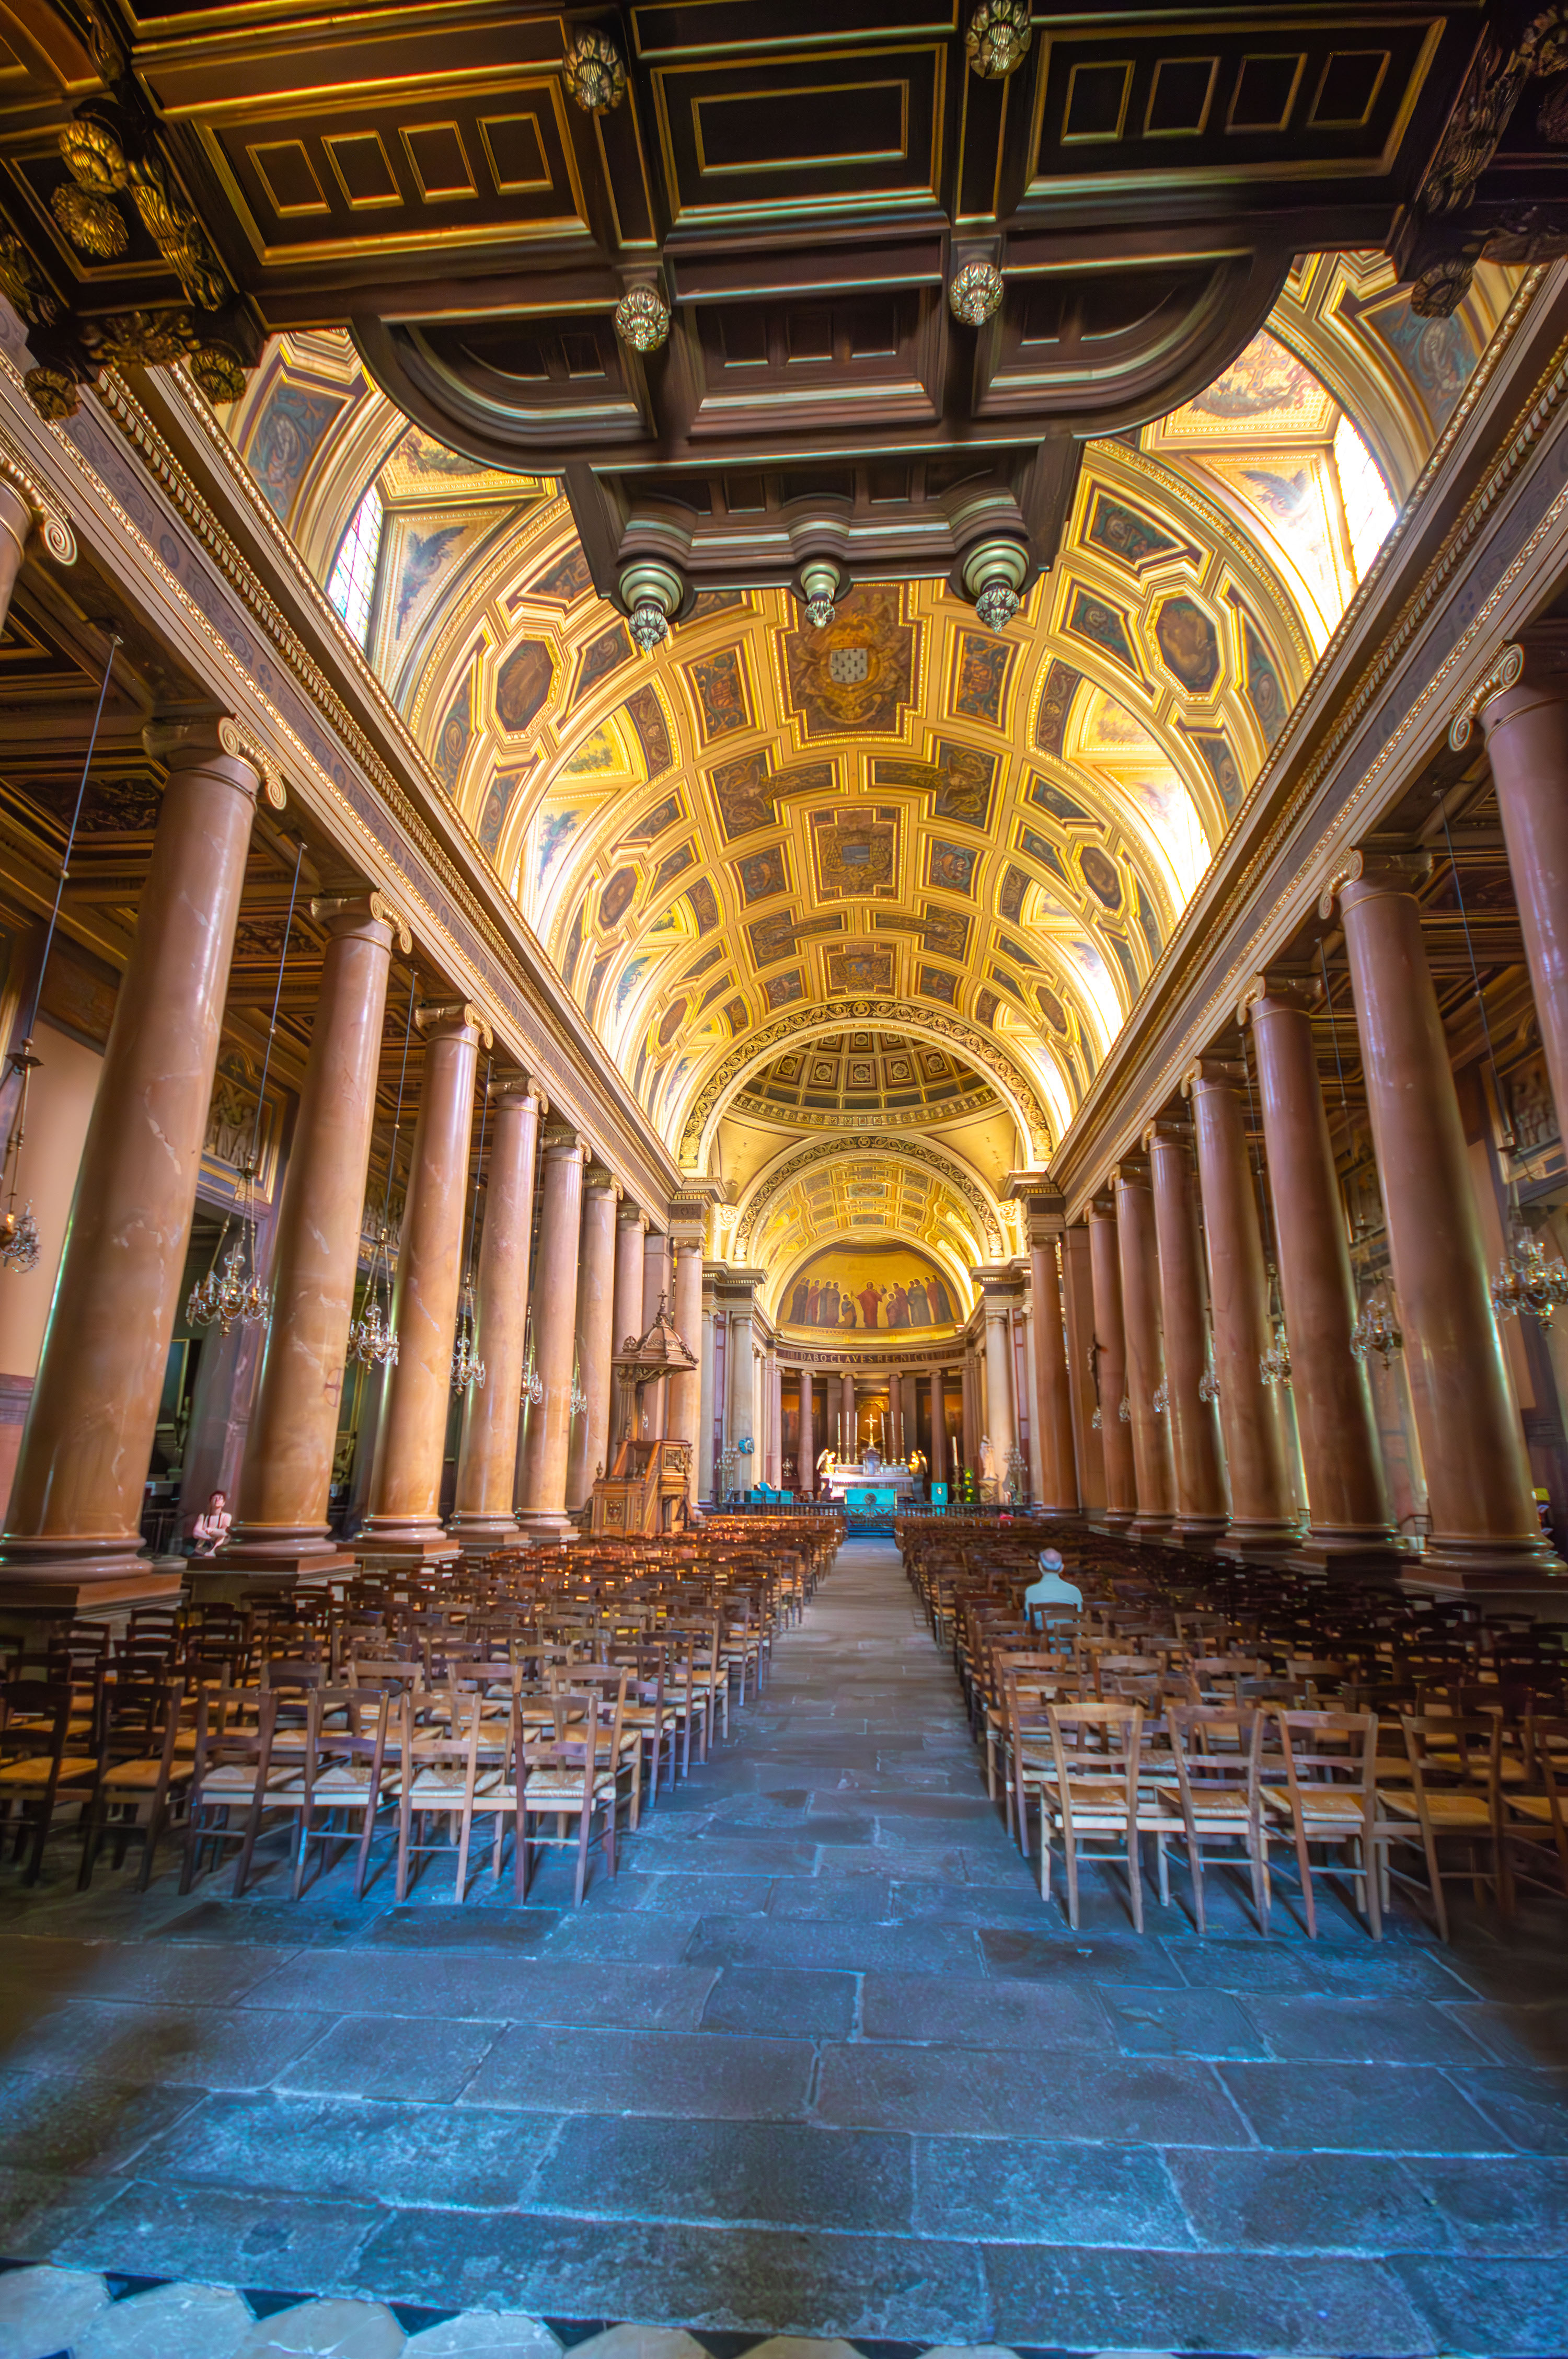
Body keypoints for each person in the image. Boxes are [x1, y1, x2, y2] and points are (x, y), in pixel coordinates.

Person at [191, 1489, 232, 1556]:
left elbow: (225, 1532)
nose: (217, 1499)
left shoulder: (226, 1517)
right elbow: (196, 1533)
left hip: (216, 1551)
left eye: (220, 1498)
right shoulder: (203, 1516)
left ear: (223, 1503)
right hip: (200, 1551)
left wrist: (211, 1531)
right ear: (211, 1501)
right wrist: (209, 1536)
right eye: (215, 1498)